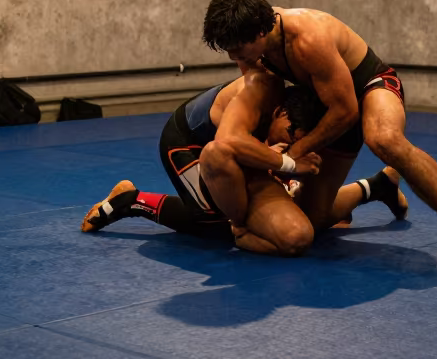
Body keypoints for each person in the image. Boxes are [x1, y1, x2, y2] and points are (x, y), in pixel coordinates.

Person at [201, 0, 437, 275]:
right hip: (328, 105)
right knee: (308, 221)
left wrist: (293, 156)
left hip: (369, 87)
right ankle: (377, 187)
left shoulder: (307, 38)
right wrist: (270, 155)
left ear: (260, 32)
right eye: (227, 49)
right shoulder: (251, 49)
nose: (233, 56)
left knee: (384, 139)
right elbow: (263, 104)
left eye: (237, 48)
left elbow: (346, 112)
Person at [81, 73, 406, 256]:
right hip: (187, 146)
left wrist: (293, 163)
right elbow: (228, 148)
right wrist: (289, 167)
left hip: (233, 149)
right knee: (218, 223)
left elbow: (269, 155)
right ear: (280, 113)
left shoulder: (289, 108)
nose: (294, 144)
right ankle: (135, 201)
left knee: (302, 213)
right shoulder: (253, 98)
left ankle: (376, 186)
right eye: (291, 135)